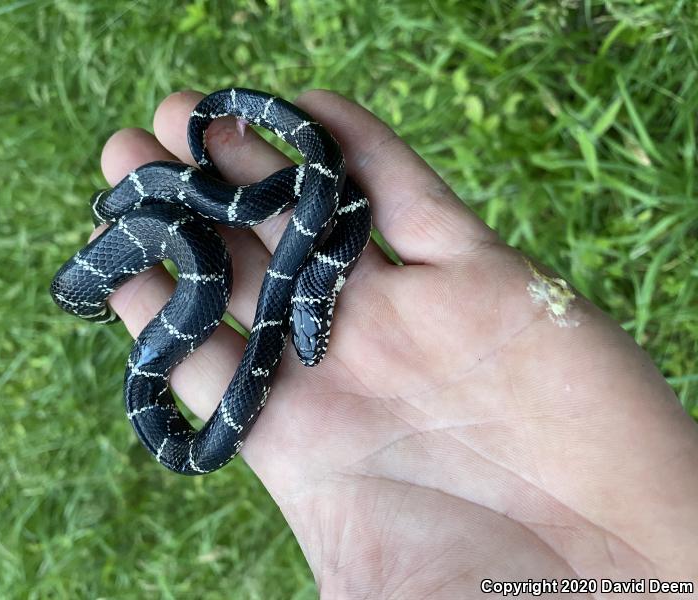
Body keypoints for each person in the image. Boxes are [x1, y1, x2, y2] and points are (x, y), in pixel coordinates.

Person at [90, 90, 698, 597]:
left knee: (298, 199)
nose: (314, 345)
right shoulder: (315, 235)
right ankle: (124, 219)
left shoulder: (333, 225)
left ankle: (155, 188)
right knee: (263, 220)